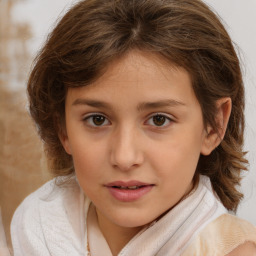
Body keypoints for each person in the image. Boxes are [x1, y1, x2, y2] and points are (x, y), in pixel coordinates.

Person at [11, 0, 256, 255]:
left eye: (159, 120)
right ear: (62, 127)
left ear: (213, 126)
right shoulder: (34, 224)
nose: (124, 157)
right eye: (97, 119)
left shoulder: (231, 250)